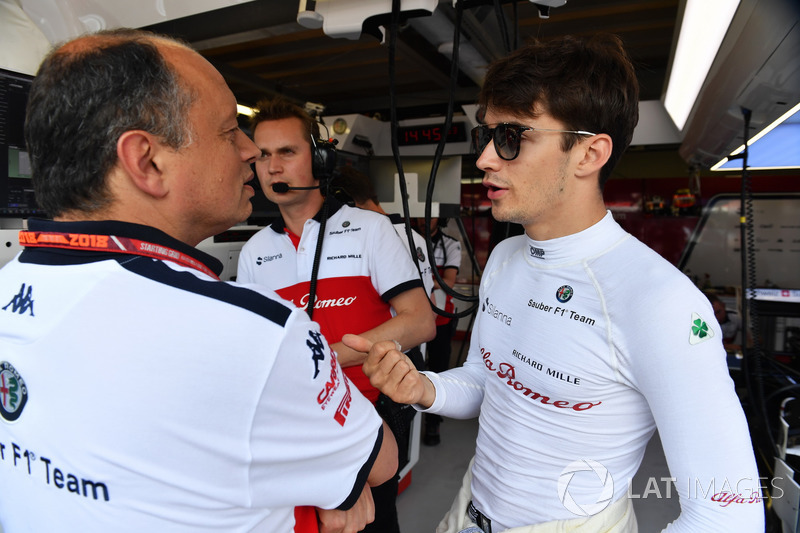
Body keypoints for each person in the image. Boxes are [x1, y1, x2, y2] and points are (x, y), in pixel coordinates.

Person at [357, 34, 764, 532]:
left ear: (589, 154)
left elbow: (729, 513)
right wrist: (424, 387)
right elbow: (487, 381)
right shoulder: (506, 258)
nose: (484, 159)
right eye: (485, 137)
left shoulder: (661, 302)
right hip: (468, 512)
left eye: (511, 137)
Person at [0, 29, 398, 533]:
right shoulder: (258, 334)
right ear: (147, 161)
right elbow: (380, 461)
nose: (251, 151)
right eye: (231, 129)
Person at [236, 98, 436, 533]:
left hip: (371, 412)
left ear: (320, 159)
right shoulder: (255, 252)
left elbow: (420, 320)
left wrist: (325, 355)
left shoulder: (369, 229)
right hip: (299, 425)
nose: (271, 167)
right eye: (263, 155)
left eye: (286, 152)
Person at [331, 165, 434, 471]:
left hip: (383, 374)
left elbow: (412, 317)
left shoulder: (376, 234)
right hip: (403, 363)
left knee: (380, 474)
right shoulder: (410, 234)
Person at [413, 216, 462, 446]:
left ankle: (433, 423)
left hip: (441, 318)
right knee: (412, 367)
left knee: (439, 370)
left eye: (429, 215)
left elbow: (449, 282)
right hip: (410, 318)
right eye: (419, 215)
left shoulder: (451, 244)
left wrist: (415, 281)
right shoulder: (405, 239)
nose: (424, 219)